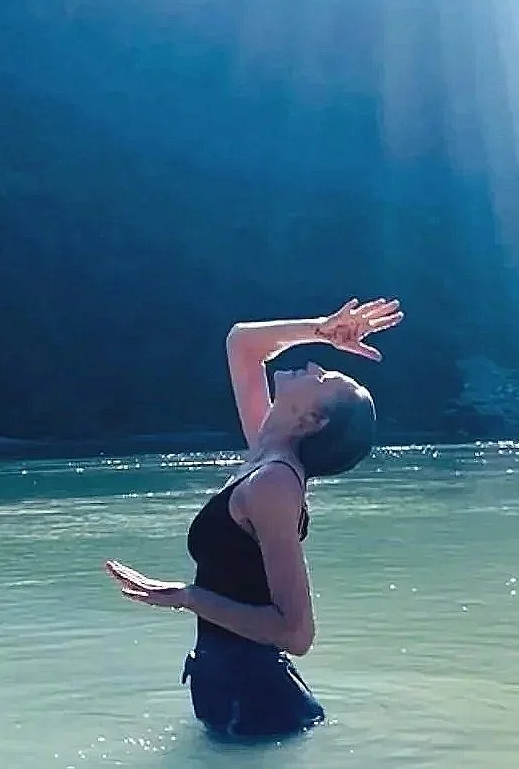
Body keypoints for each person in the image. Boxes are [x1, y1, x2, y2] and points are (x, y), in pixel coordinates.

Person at [104, 296, 404, 740]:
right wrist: (322, 329)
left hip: (257, 707)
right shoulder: (265, 452)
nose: (310, 367)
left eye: (321, 377)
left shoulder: (275, 484)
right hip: (235, 698)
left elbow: (297, 632)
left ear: (312, 420)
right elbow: (243, 342)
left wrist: (187, 596)